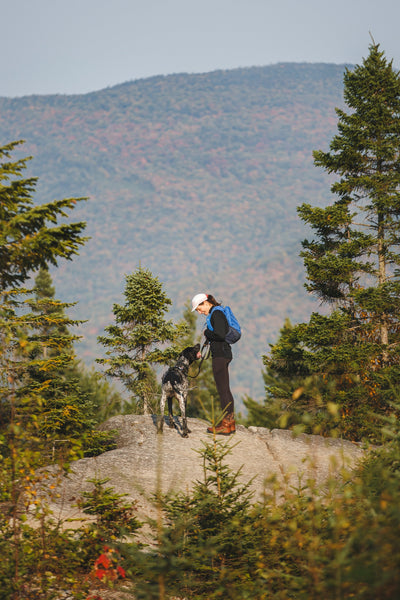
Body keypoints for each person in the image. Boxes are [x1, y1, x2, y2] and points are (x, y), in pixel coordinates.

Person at [191, 293, 236, 435]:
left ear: (205, 302)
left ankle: (226, 424)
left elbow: (220, 335)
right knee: (225, 389)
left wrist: (207, 332)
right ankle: (230, 423)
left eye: (199, 308)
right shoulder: (216, 313)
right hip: (223, 354)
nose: (199, 312)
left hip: (220, 356)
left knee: (223, 390)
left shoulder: (216, 314)